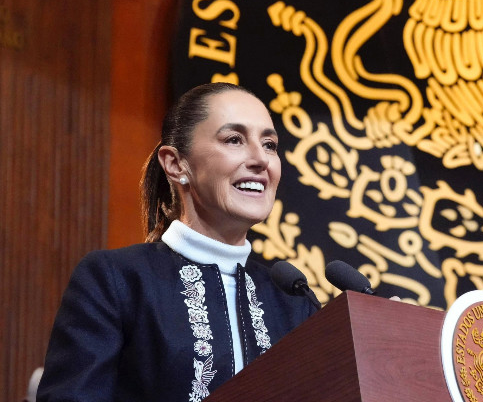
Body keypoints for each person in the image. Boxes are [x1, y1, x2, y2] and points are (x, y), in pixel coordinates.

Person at [37, 82, 318, 401]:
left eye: (269, 145)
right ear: (175, 164)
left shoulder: (293, 301)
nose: (260, 159)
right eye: (234, 139)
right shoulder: (117, 280)